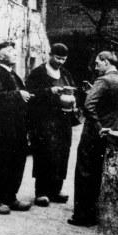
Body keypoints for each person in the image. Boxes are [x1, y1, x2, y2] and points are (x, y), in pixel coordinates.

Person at [68, 51, 118, 227]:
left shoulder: (103, 81)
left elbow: (89, 106)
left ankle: (82, 216)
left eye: (98, 63)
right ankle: (95, 213)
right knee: (98, 173)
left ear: (106, 62)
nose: (96, 67)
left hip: (94, 133)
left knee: (84, 172)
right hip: (111, 132)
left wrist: (97, 126)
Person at [0, 41, 33, 215]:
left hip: (17, 124)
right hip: (3, 124)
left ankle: (10, 197)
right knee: (3, 161)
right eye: (10, 51)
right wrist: (18, 94)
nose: (15, 53)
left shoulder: (12, 73)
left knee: (18, 160)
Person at [26, 43, 76, 207]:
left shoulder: (66, 73)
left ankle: (56, 189)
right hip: (44, 120)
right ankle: (41, 192)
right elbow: (30, 94)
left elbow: (72, 90)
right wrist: (50, 91)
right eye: (58, 58)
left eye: (64, 59)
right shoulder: (38, 73)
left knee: (62, 152)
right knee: (45, 153)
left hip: (63, 119)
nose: (61, 62)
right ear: (50, 55)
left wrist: (73, 100)